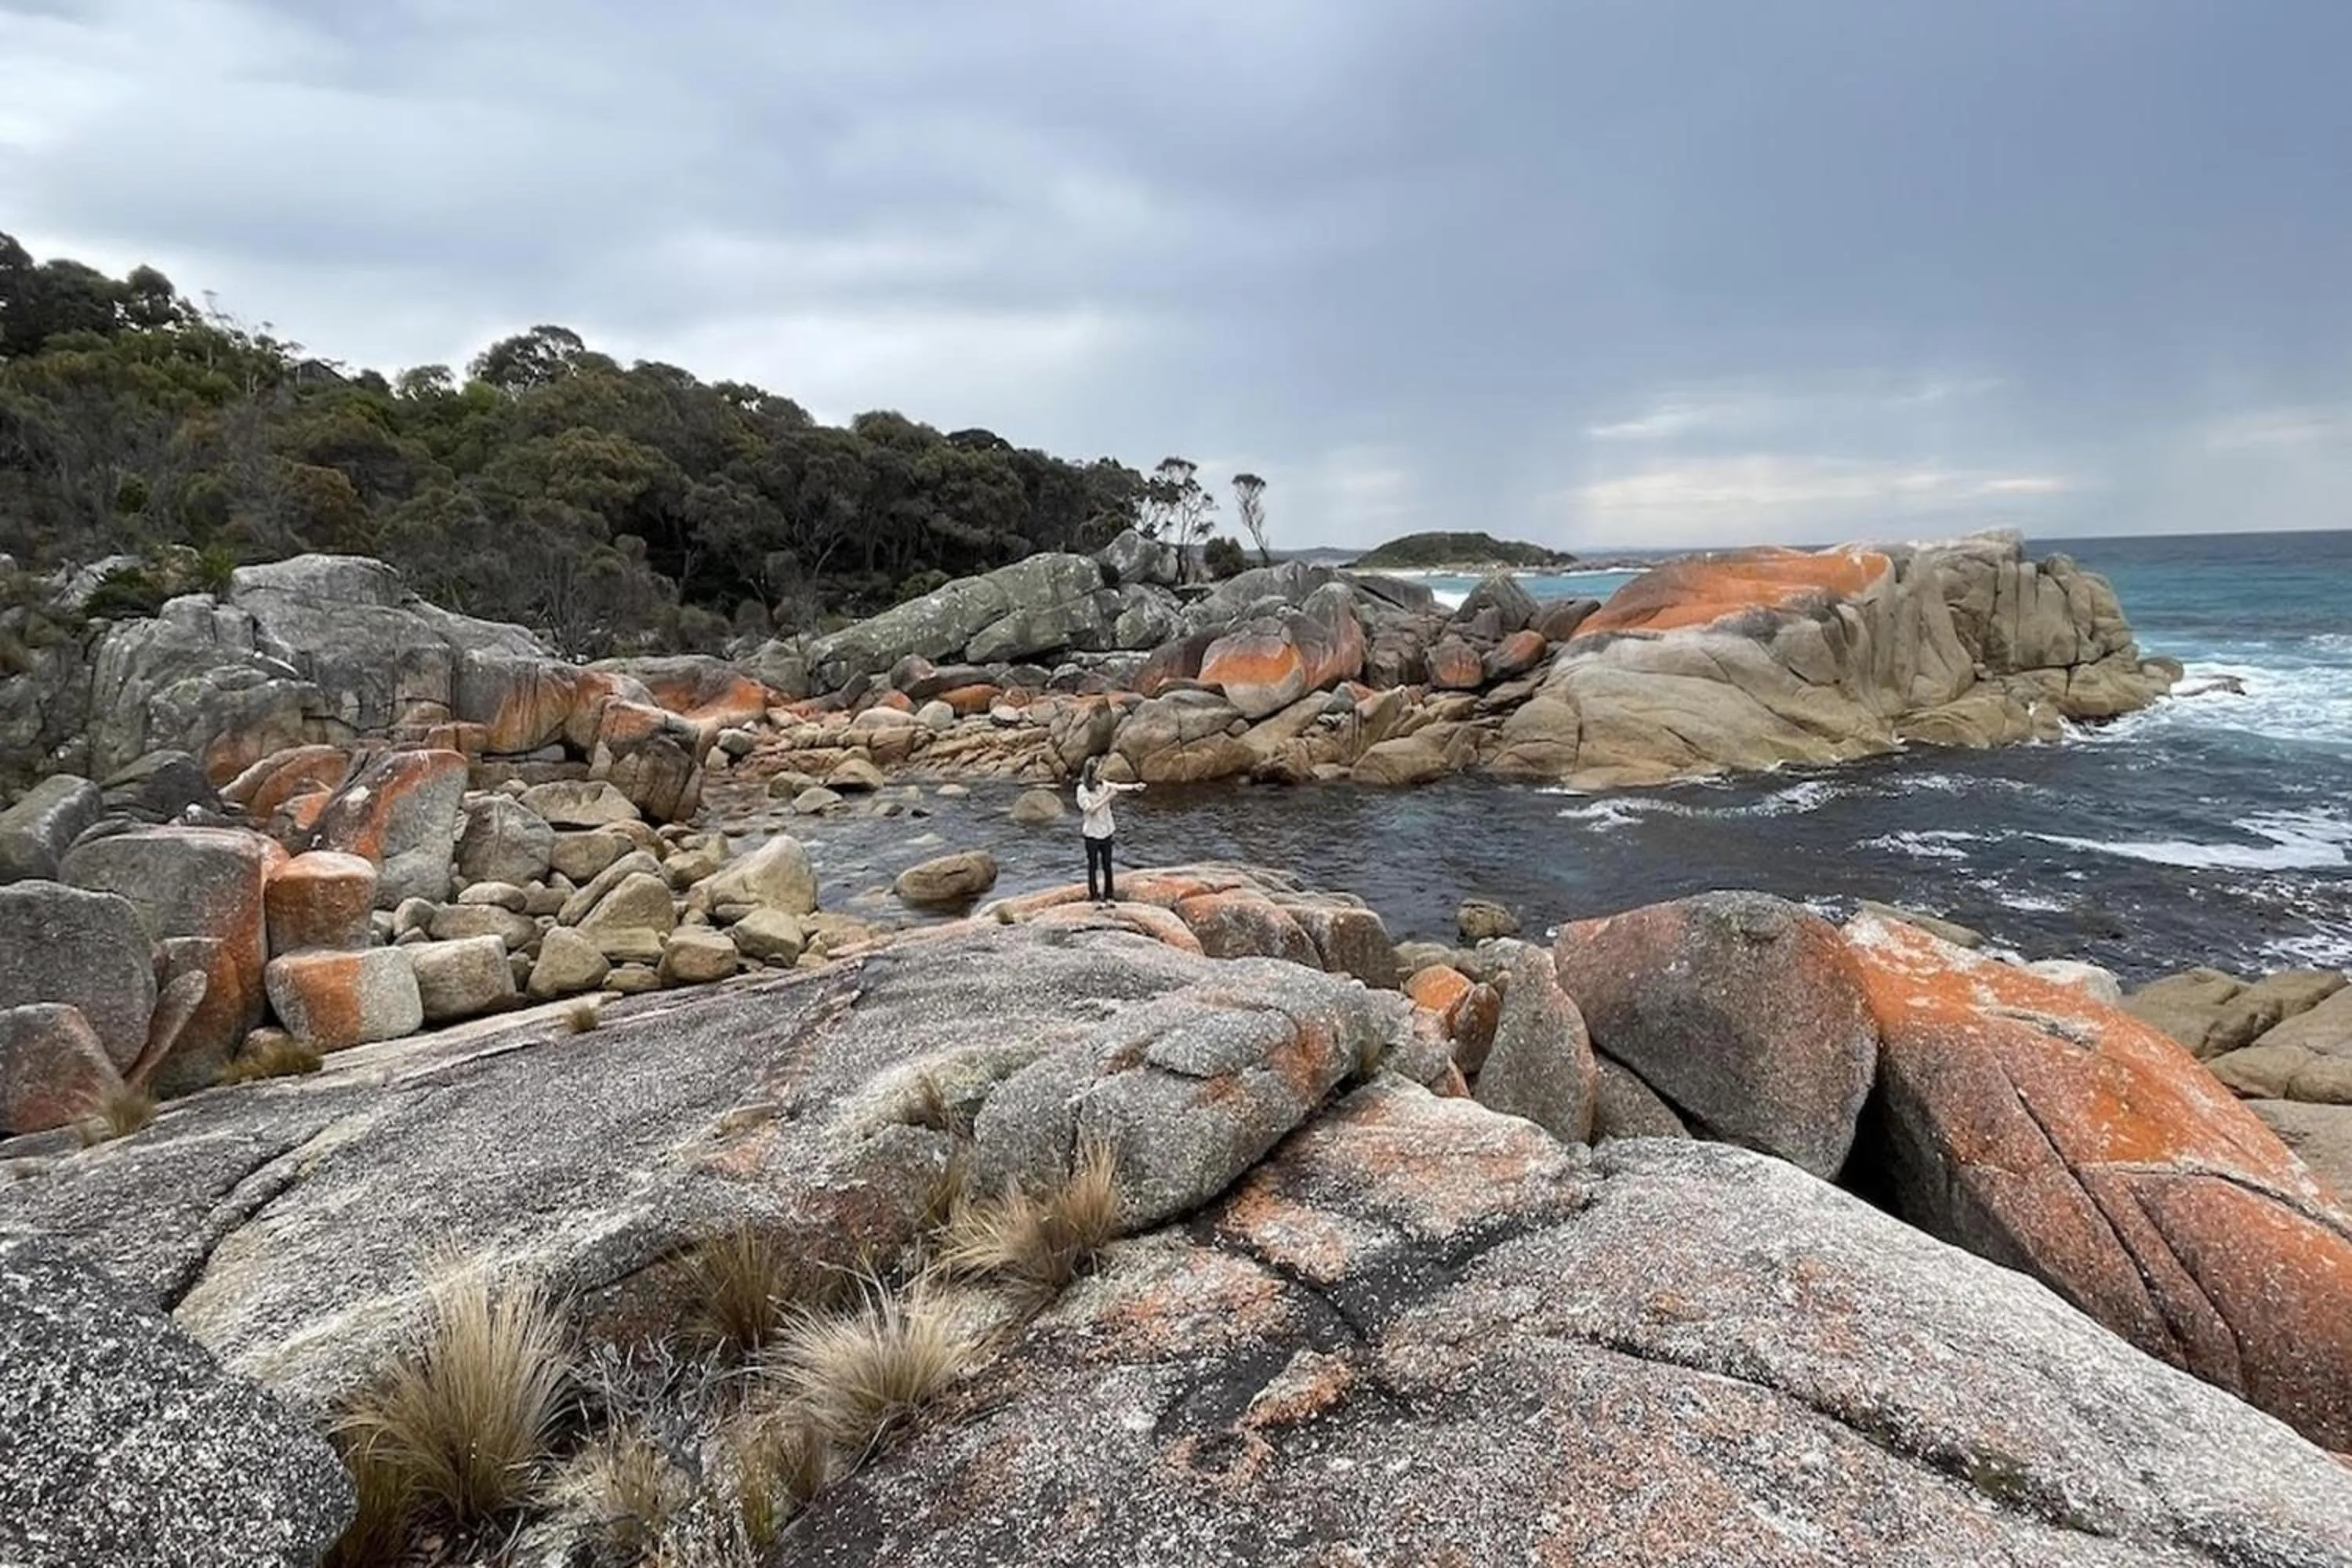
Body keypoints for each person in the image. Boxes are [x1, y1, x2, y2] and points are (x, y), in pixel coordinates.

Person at [1074, 755, 1145, 902]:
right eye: (1099, 770)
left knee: (1108, 865)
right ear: (1092, 772)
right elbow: (1090, 809)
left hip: (1106, 831)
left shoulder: (1103, 785)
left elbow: (1117, 786)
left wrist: (1134, 786)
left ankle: (1109, 895)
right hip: (1092, 834)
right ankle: (1094, 896)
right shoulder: (1082, 790)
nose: (1101, 772)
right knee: (1093, 866)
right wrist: (1107, 798)